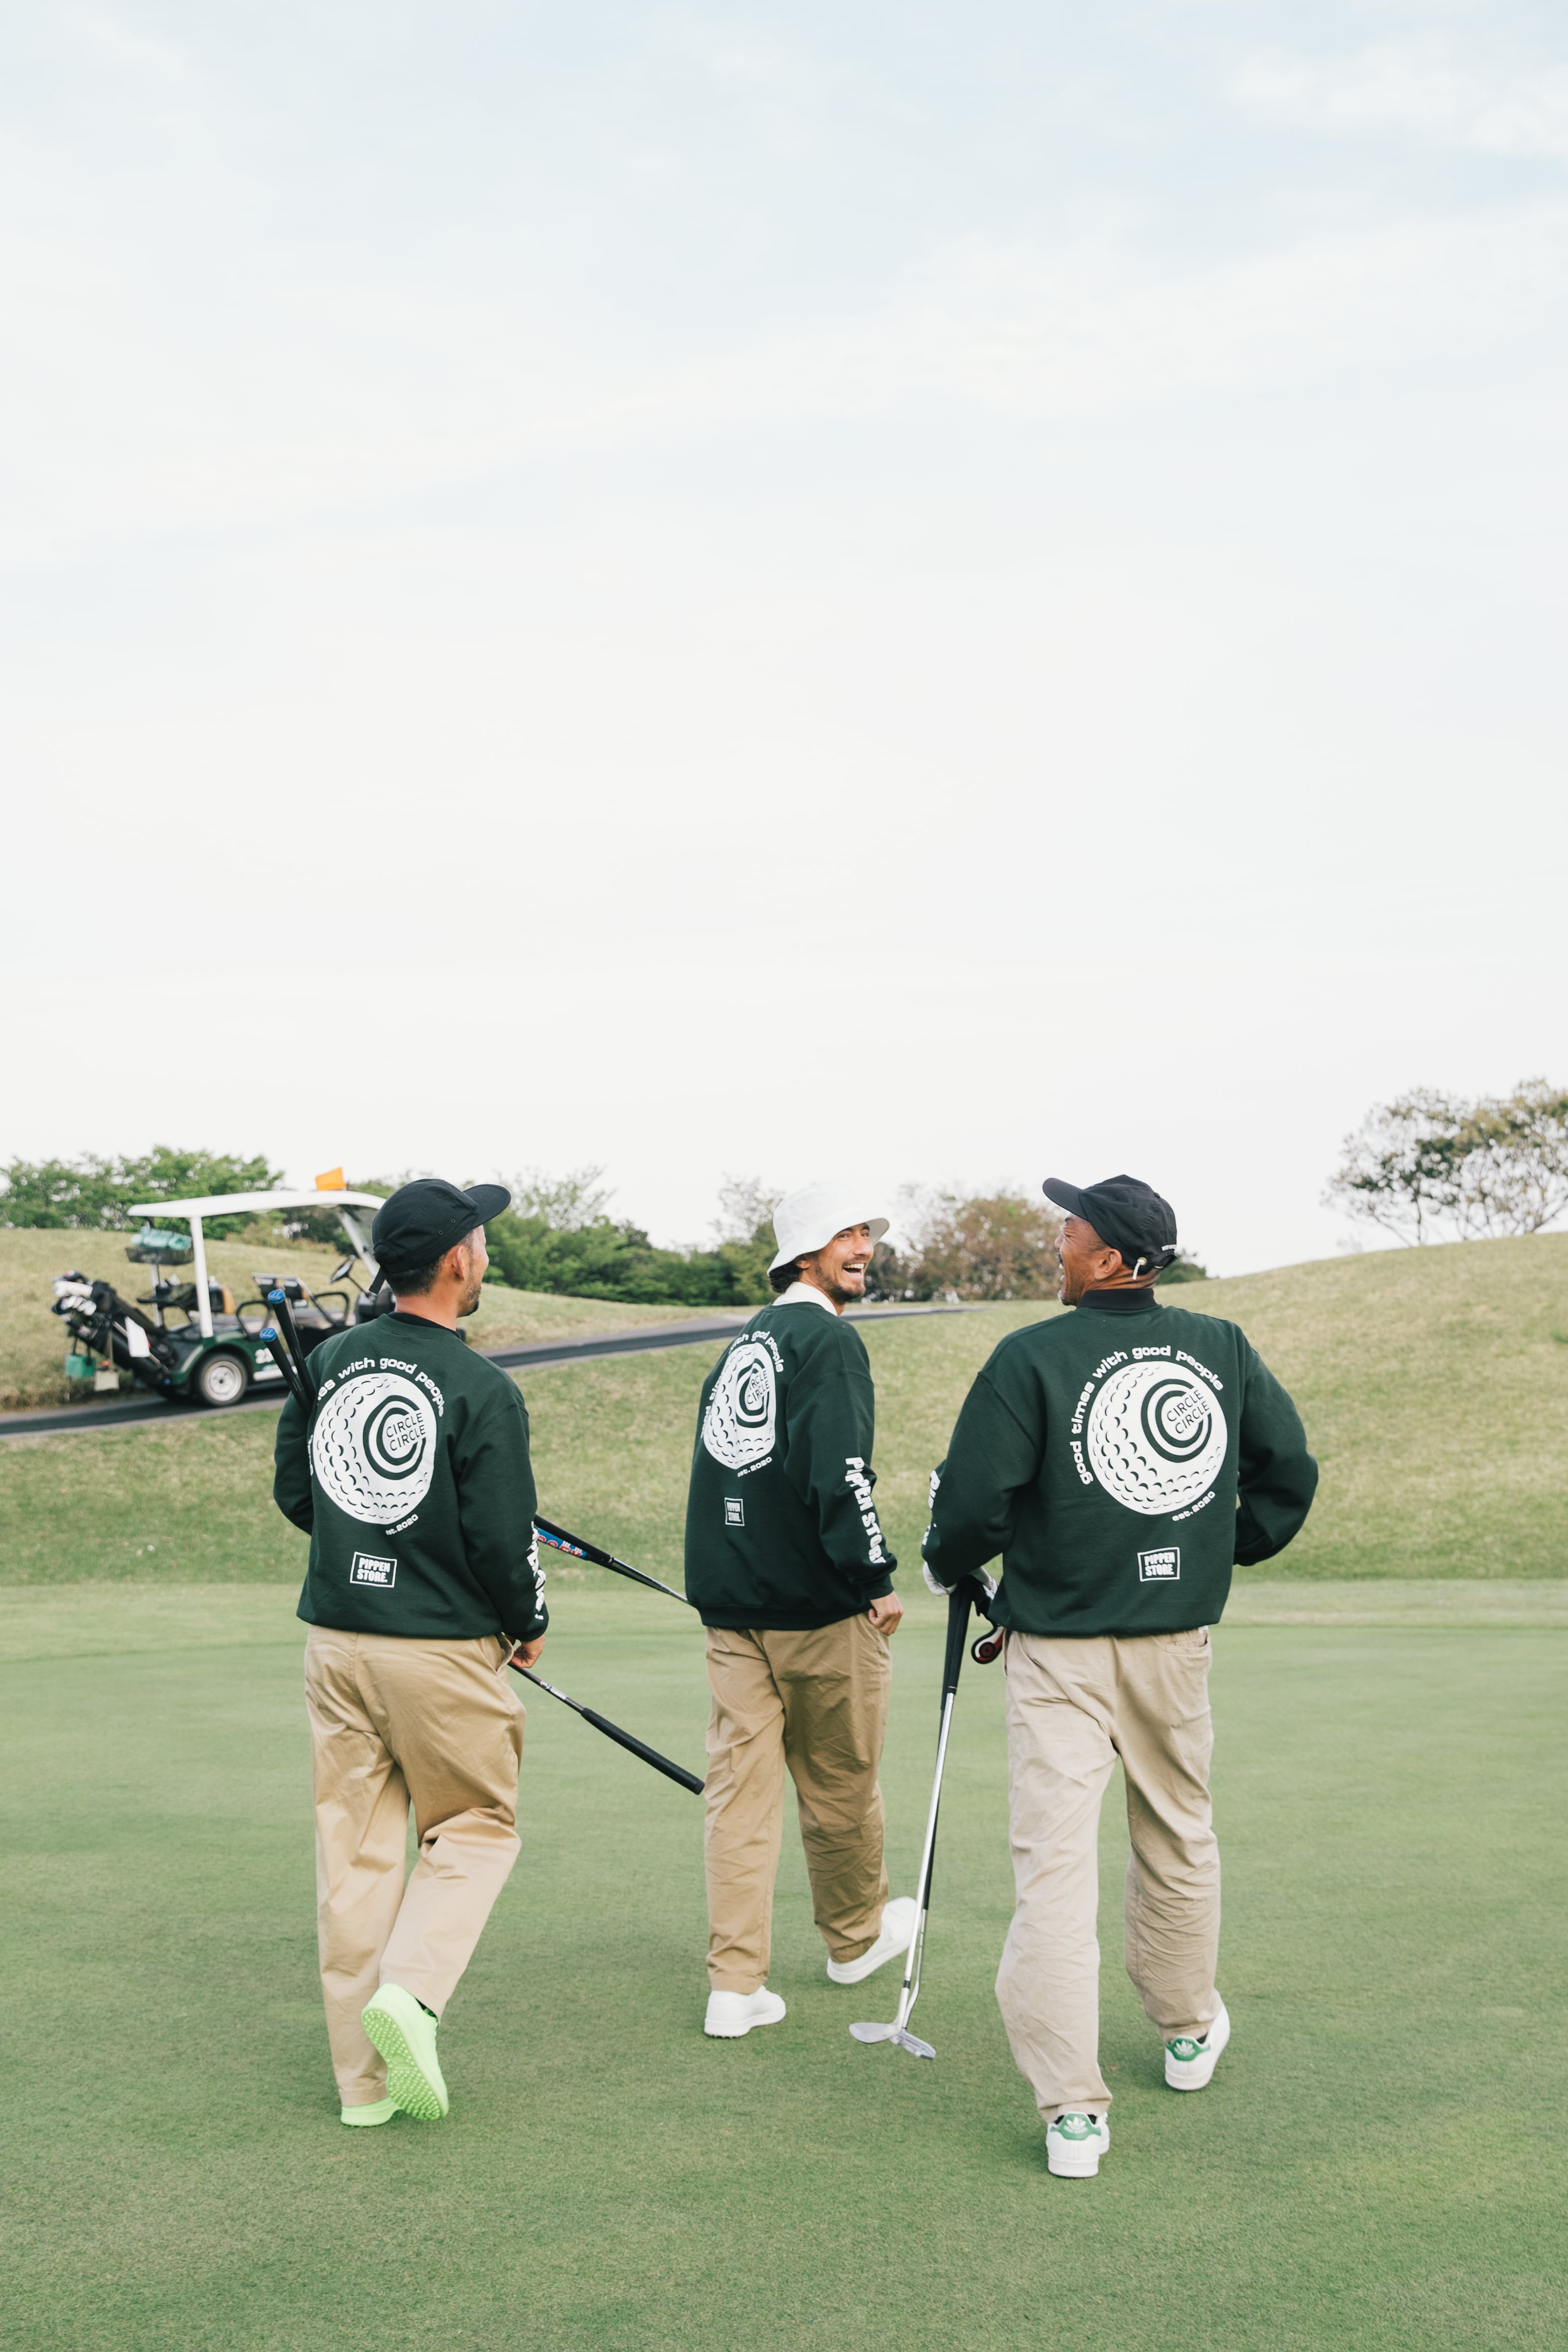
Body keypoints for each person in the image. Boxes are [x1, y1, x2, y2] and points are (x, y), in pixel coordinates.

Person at [922, 1173, 1317, 2178]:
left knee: (1053, 1874)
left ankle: (1072, 2112)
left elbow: (971, 1504)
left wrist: (947, 1561)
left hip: (1054, 1650)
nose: (1055, 1241)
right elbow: (1288, 1471)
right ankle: (1185, 2028)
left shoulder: (1029, 1356)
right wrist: (1221, 1549)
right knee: (1177, 1834)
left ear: (1107, 1259)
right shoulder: (1219, 1346)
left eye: (1069, 1230)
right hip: (1172, 1644)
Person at [273, 1177, 548, 2128]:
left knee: (354, 1862)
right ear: (459, 1259)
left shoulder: (329, 1360)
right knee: (474, 1826)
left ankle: (364, 2091)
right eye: (481, 1240)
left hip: (335, 1641)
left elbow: (301, 1495)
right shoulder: (483, 1388)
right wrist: (527, 1618)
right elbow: (504, 1542)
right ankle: (413, 1992)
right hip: (436, 1650)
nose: (485, 1253)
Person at [684, 1179, 915, 2038]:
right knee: (839, 1785)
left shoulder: (743, 1345)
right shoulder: (828, 1342)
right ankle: (855, 1941)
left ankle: (733, 1986)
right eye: (845, 1234)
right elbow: (840, 1473)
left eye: (865, 1234)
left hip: (733, 1609)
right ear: (805, 1255)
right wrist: (874, 1575)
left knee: (737, 1799)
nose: (863, 1248)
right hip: (816, 1609)